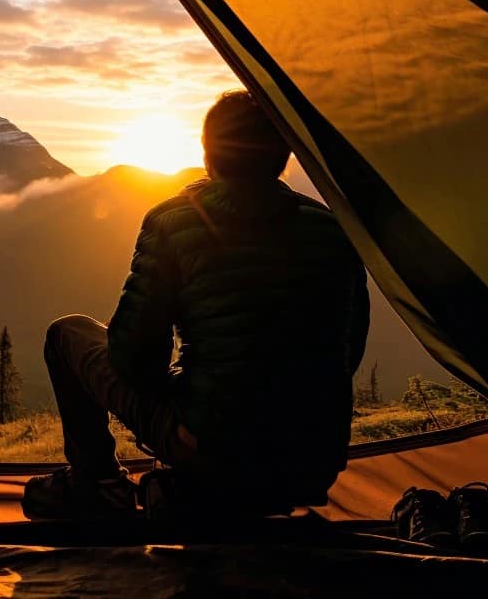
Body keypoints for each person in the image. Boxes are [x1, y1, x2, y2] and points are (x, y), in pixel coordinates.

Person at [22, 90, 369, 520]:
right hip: (314, 461)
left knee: (67, 334)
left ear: (209, 155)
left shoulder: (174, 221)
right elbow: (347, 351)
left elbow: (134, 360)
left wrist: (186, 390)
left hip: (212, 447)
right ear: (283, 155)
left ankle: (99, 484)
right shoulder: (331, 229)